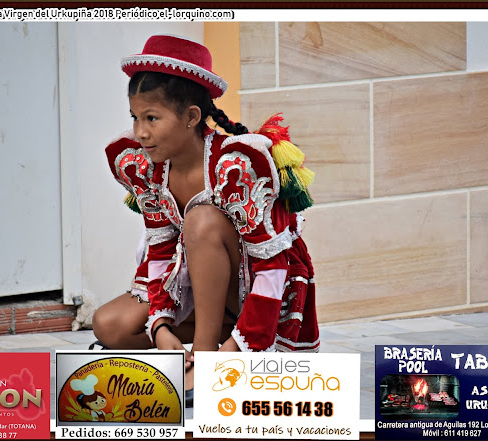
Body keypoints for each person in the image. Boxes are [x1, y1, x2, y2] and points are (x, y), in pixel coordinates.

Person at [92, 34, 320, 395]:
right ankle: (192, 351)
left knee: (201, 221)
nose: (140, 132)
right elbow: (160, 251)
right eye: (135, 117)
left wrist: (231, 352)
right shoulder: (148, 168)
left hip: (257, 298)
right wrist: (160, 328)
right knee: (110, 325)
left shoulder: (234, 167)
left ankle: (206, 359)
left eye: (152, 118)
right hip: (201, 295)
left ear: (191, 117)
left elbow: (273, 269)